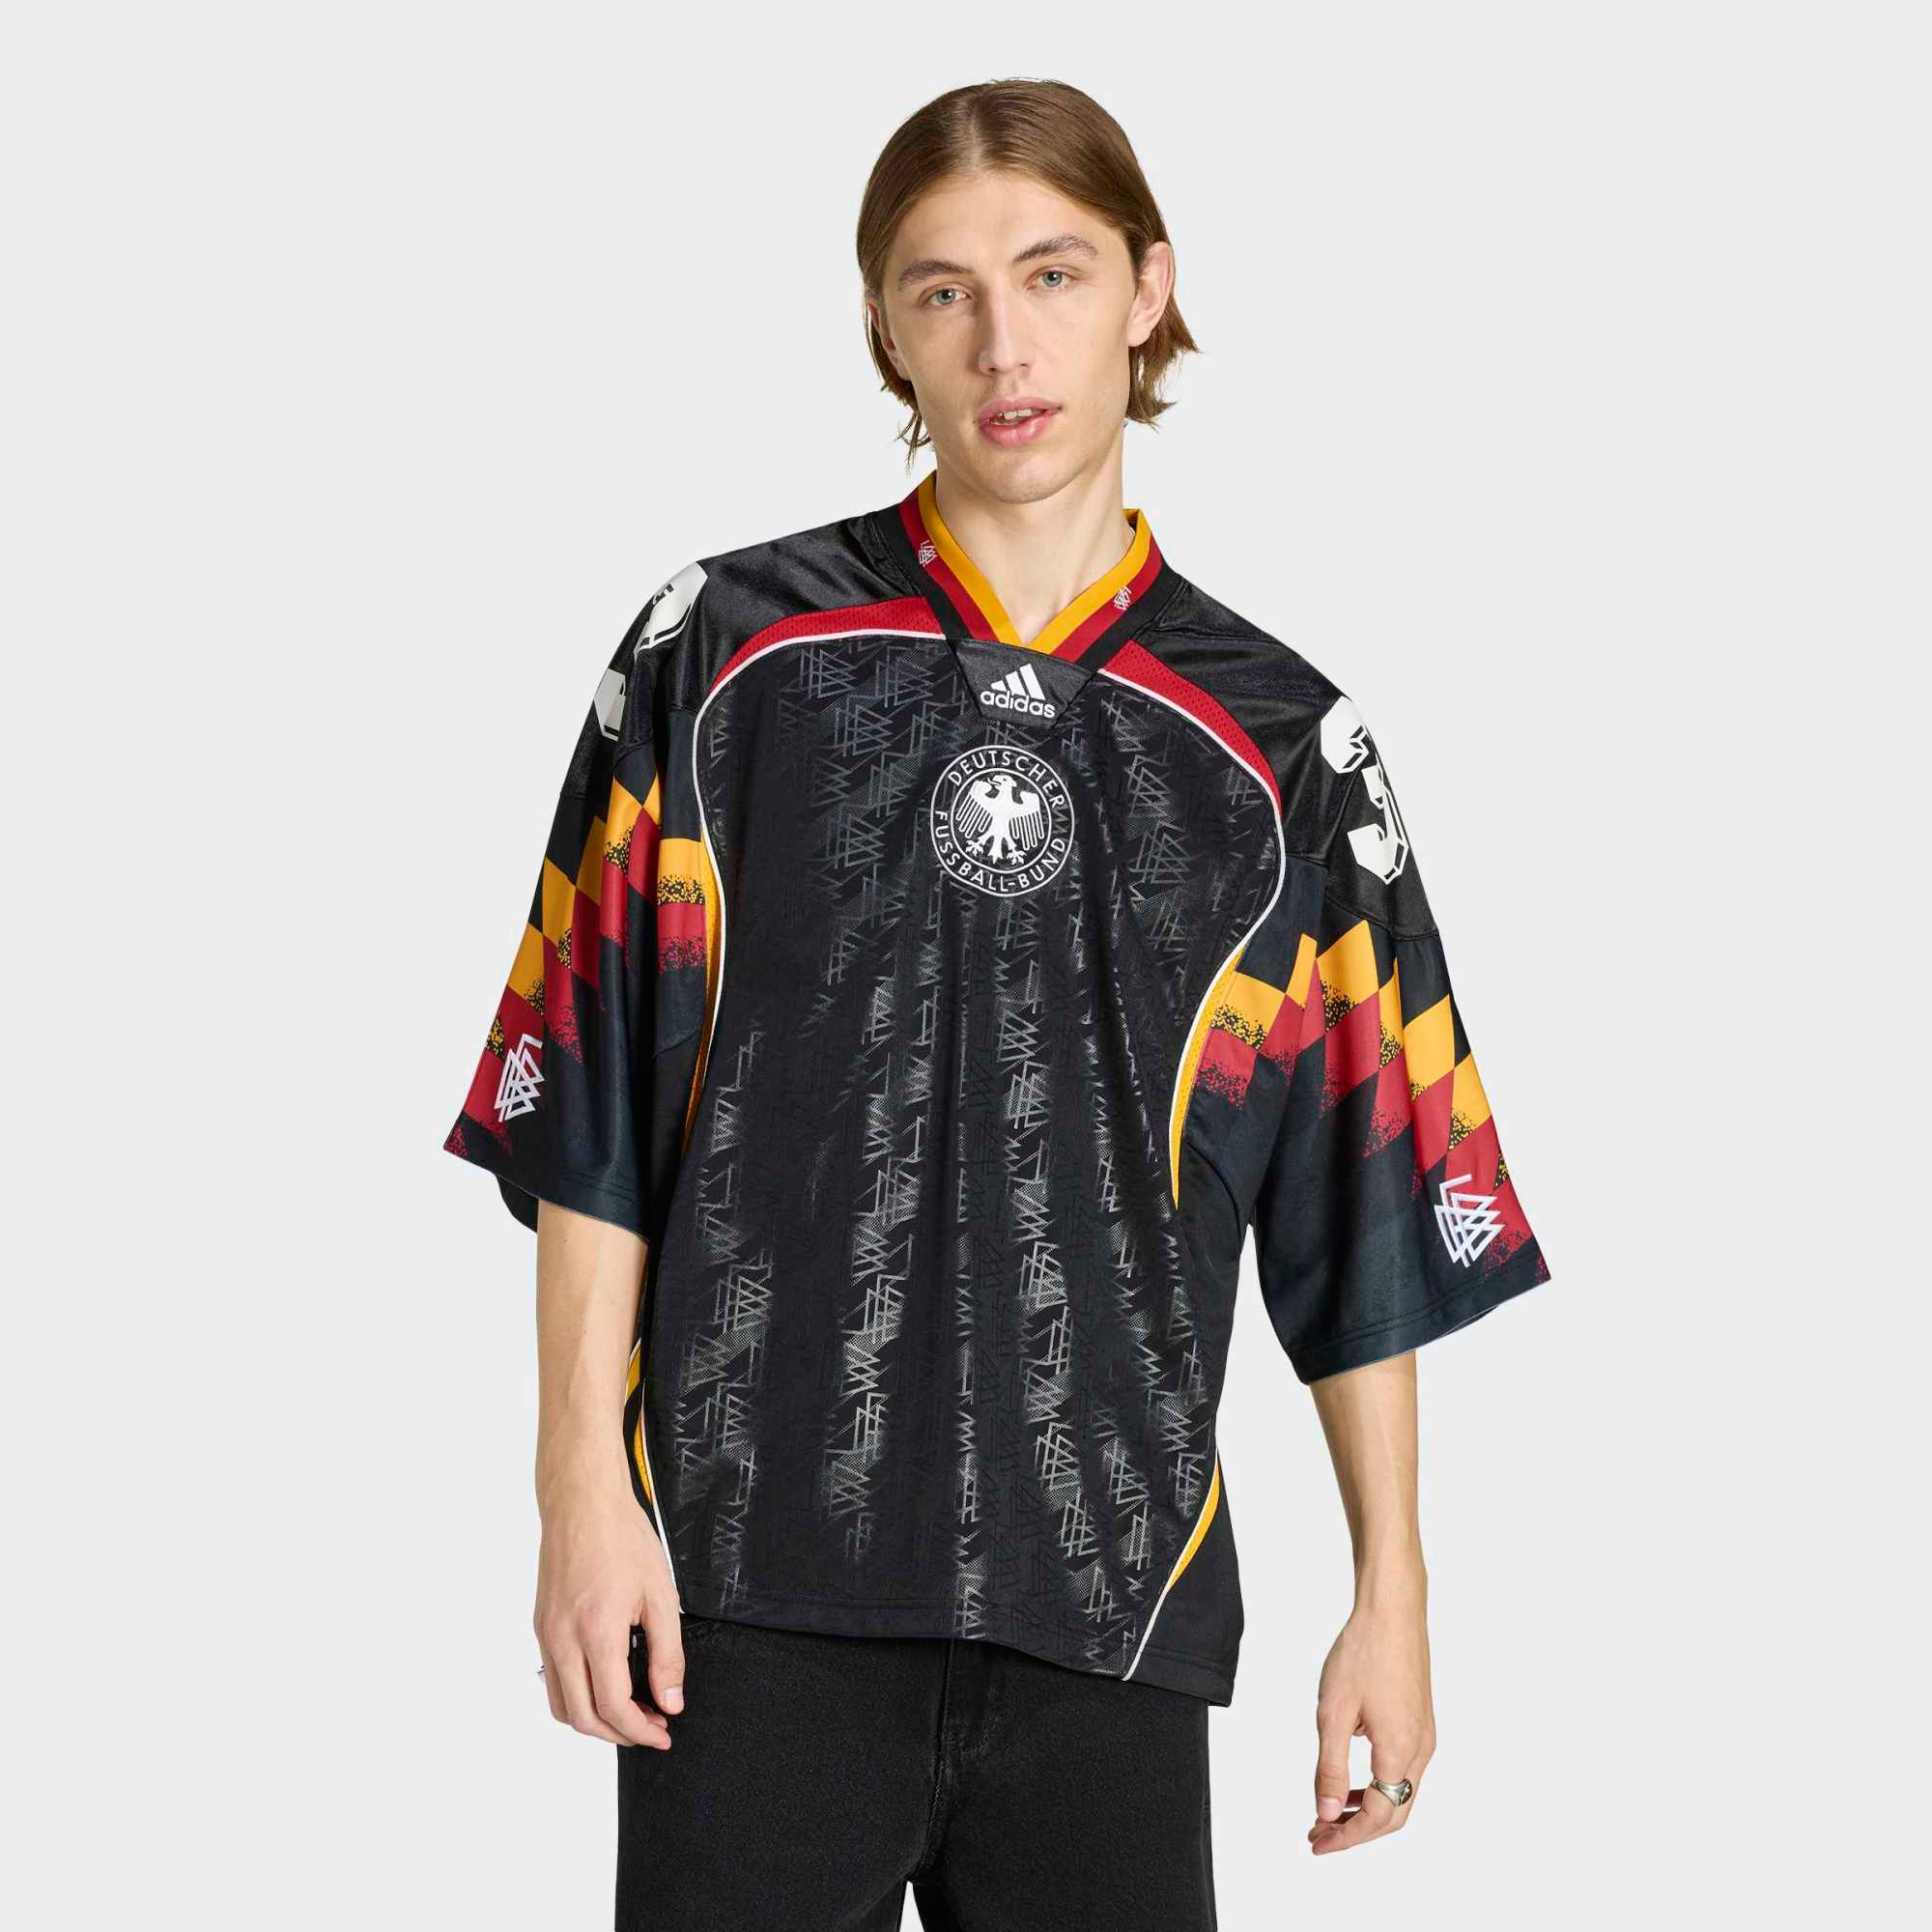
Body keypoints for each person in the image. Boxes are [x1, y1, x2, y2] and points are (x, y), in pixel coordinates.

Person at [440, 77, 1552, 1932]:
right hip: (747, 1587)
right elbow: (595, 1106)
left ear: (1147, 289)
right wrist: (575, 1491)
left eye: (1051, 274)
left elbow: (1363, 1197)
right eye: (941, 289)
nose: (1003, 345)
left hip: (1112, 1606)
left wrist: (1395, 1593)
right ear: (886, 325)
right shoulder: (727, 657)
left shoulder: (1280, 745)